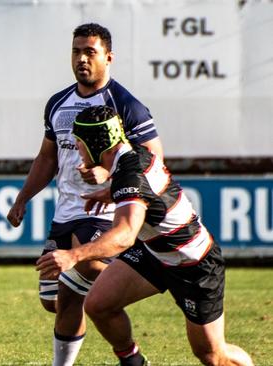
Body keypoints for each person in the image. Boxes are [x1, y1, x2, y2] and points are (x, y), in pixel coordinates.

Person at [36, 105, 253, 366]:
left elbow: (125, 235)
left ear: (96, 144)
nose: (77, 152)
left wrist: (74, 255)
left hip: (194, 265)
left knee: (212, 355)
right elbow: (149, 190)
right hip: (154, 254)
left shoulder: (131, 174)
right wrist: (112, 193)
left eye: (79, 144)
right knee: (99, 304)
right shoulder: (130, 158)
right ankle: (133, 361)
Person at [6, 23, 163, 366]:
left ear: (109, 57)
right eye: (76, 51)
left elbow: (153, 161)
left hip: (104, 212)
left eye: (90, 52)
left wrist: (109, 177)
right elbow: (47, 157)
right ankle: (111, 300)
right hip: (65, 213)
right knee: (56, 300)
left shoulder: (126, 106)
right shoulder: (58, 103)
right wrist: (23, 198)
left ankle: (132, 285)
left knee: (81, 273)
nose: (81, 59)